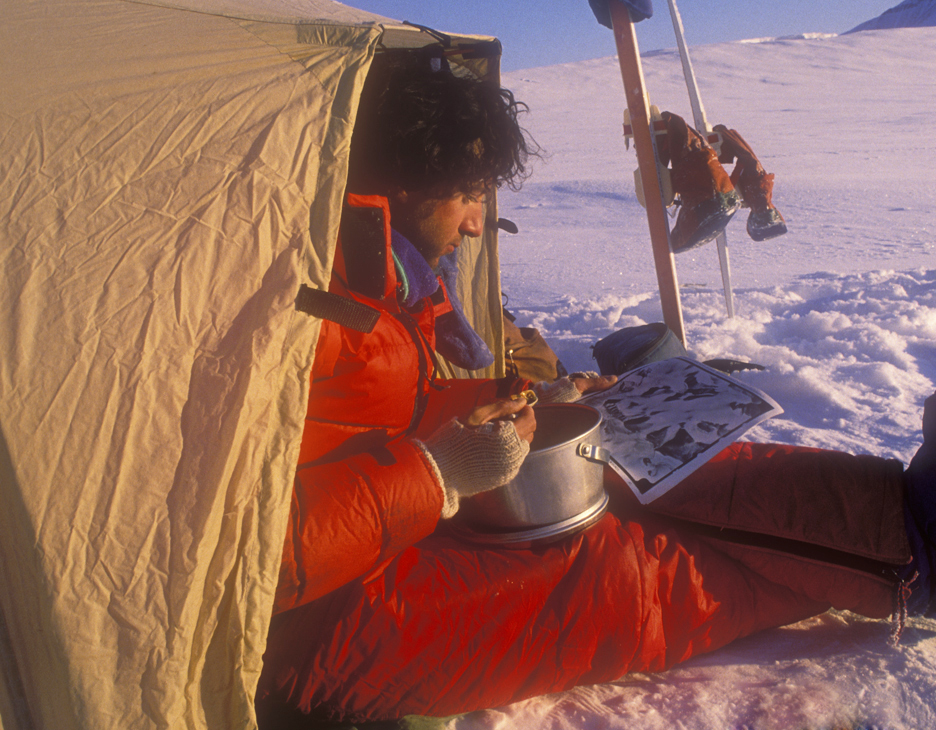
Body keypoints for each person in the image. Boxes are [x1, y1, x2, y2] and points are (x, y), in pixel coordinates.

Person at [255, 51, 936, 726]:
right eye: (466, 196)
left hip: (388, 532)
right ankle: (918, 554)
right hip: (319, 623)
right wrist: (436, 473)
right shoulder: (282, 301)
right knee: (634, 572)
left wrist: (523, 400)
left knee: (662, 466)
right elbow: (236, 554)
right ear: (401, 183)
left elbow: (353, 422)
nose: (472, 224)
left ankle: (907, 513)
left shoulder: (362, 272)